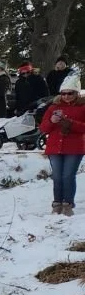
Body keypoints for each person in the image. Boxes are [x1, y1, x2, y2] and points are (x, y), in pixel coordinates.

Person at [38, 86, 85, 216]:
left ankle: (68, 204)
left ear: (76, 93)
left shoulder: (82, 107)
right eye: (63, 94)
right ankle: (57, 203)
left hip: (74, 148)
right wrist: (52, 121)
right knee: (57, 176)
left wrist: (71, 123)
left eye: (70, 93)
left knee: (68, 176)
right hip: (55, 147)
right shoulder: (53, 107)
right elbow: (43, 128)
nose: (66, 96)